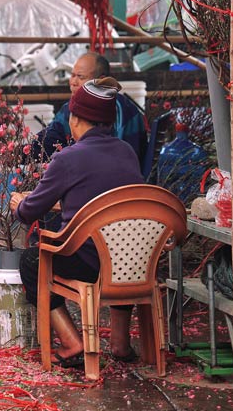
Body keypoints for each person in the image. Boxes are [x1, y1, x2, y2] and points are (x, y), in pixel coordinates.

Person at [9, 77, 144, 368]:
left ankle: (73, 343)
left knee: (31, 262)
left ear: (76, 119)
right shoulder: (127, 152)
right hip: (132, 260)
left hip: (88, 262)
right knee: (118, 242)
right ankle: (120, 344)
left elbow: (30, 211)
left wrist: (19, 203)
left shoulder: (67, 158)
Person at [32, 53, 147, 168]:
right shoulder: (73, 108)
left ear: (100, 80)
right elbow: (50, 138)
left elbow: (110, 160)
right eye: (72, 75)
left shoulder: (113, 110)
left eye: (81, 77)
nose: (73, 82)